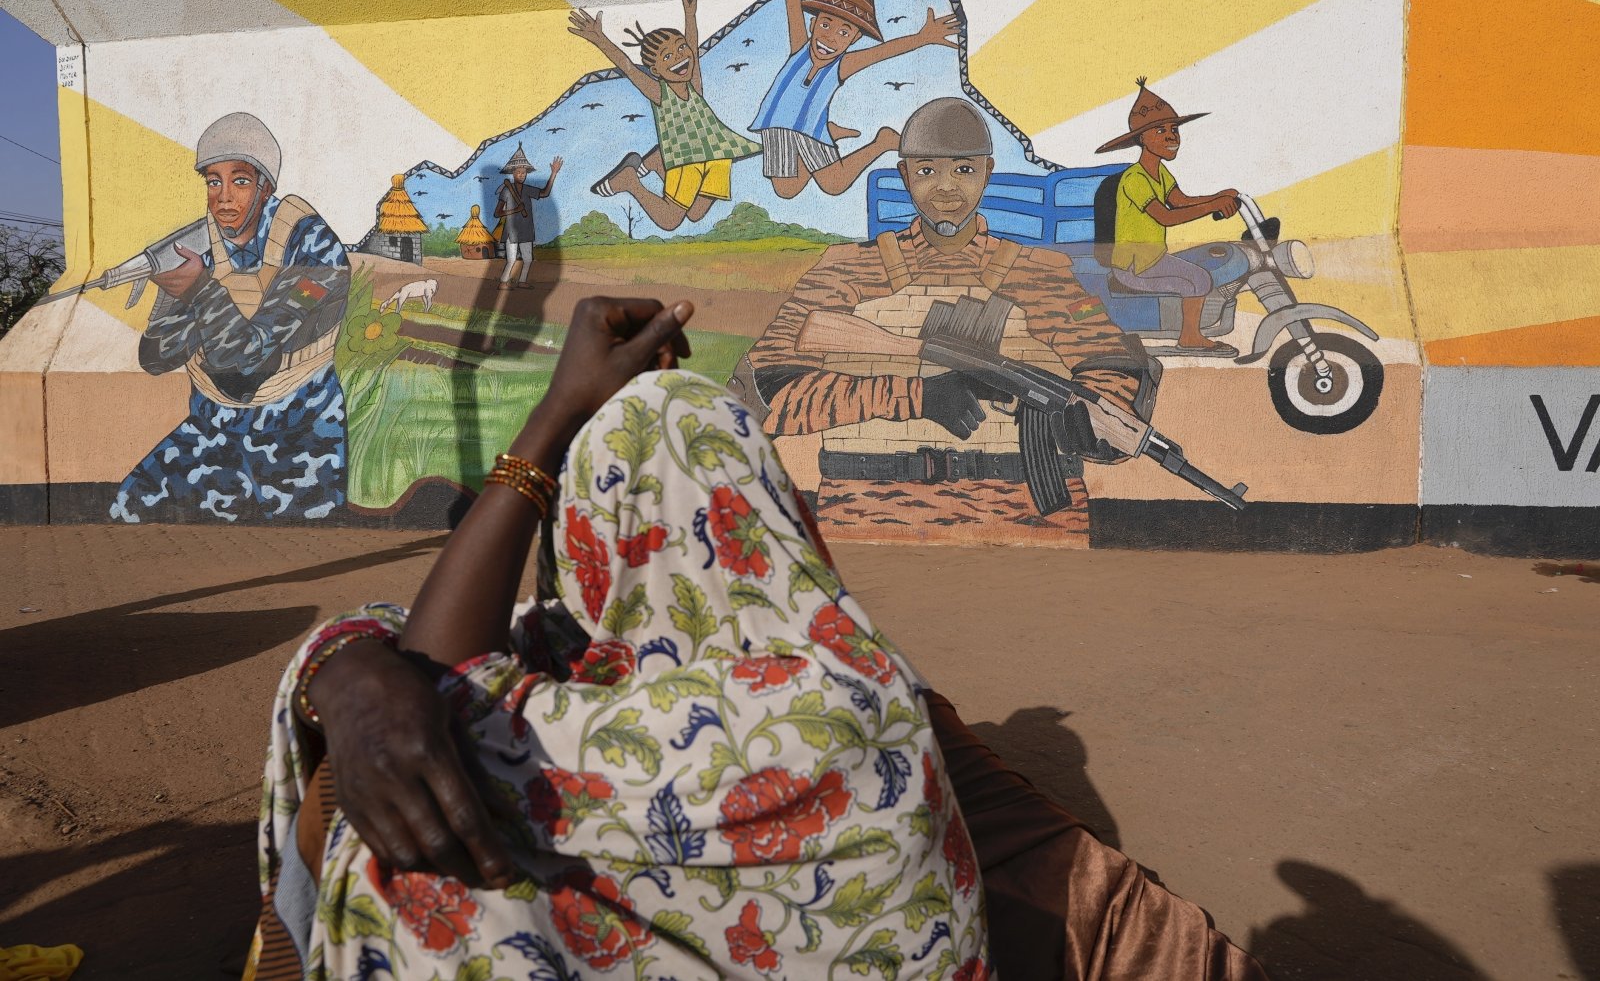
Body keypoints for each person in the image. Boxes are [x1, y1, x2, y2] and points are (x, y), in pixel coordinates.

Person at [248, 297, 1268, 981]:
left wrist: (555, 419)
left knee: (383, 832)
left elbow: (427, 675)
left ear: (593, 536)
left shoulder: (588, 732)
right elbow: (1108, 900)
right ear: (770, 513)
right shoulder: (869, 694)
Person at [742, 98, 1148, 545]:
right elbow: (765, 391)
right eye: (927, 171)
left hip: (1030, 517)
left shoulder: (1039, 273)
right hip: (869, 514)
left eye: (964, 170)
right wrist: (915, 396)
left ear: (988, 172)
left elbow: (1114, 361)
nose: (946, 188)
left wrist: (1088, 420)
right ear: (904, 176)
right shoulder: (845, 272)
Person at [111, 112, 349, 525]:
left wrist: (200, 290)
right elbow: (157, 358)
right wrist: (169, 294)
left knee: (302, 553)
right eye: (212, 181)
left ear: (265, 187)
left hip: (296, 441)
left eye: (239, 181)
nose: (223, 197)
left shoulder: (314, 251)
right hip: (212, 430)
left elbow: (248, 362)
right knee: (130, 509)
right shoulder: (200, 247)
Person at [749, 0, 960, 199]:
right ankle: (831, 133)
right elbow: (793, 10)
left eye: (844, 32)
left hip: (809, 129)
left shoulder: (840, 66)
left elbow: (881, 53)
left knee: (834, 184)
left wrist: (921, 38)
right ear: (814, 24)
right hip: (776, 125)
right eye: (825, 24)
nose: (830, 36)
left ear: (854, 38)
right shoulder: (799, 49)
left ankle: (880, 143)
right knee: (787, 190)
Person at [572, 0, 762, 231]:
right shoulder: (660, 93)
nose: (680, 56)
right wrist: (600, 39)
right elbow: (628, 67)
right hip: (686, 158)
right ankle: (630, 181)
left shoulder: (694, 85)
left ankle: (657, 160)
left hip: (719, 156)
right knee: (670, 221)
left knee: (695, 214)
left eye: (680, 48)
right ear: (655, 70)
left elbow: (693, 48)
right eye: (667, 56)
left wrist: (690, 15)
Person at [1096, 77, 1242, 357]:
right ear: (1142, 139)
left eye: (1174, 129)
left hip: (1154, 259)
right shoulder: (1135, 178)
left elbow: (1180, 201)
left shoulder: (1160, 173)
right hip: (1134, 267)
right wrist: (1214, 206)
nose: (1171, 136)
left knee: (1200, 276)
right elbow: (1166, 216)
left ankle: (1194, 332)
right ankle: (1189, 336)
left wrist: (1217, 196)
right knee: (1198, 280)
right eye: (1160, 130)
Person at [495, 144, 562, 289]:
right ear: (513, 173)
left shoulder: (528, 190)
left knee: (528, 259)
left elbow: (545, 193)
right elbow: (497, 213)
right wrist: (514, 210)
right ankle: (503, 281)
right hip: (511, 232)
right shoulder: (506, 190)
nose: (522, 175)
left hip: (526, 229)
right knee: (511, 259)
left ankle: (522, 281)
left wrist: (554, 173)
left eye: (524, 173)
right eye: (519, 172)